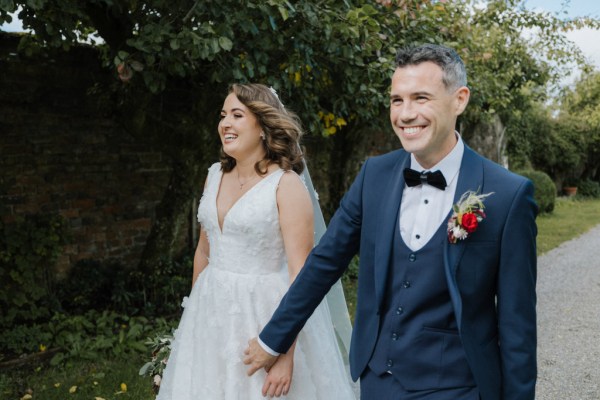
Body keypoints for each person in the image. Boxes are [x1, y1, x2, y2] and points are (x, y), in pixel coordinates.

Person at [244, 44, 538, 400]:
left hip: (458, 385)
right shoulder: (374, 175)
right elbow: (325, 262)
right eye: (396, 100)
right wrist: (274, 337)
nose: (405, 114)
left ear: (459, 99)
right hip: (378, 379)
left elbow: (517, 323)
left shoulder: (508, 194)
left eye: (420, 98)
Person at [155, 83, 358, 399]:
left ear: (263, 127)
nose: (226, 123)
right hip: (210, 310)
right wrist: (192, 325)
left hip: (264, 315)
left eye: (237, 115)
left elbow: (302, 276)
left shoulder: (286, 186)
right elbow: (203, 252)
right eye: (223, 115)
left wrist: (283, 353)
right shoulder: (213, 175)